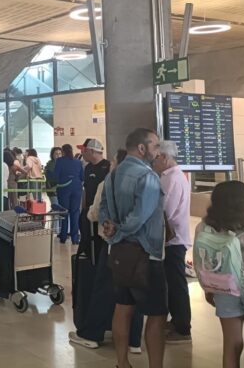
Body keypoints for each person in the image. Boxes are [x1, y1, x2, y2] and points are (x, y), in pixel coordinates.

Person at [100, 128, 165, 368]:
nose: (158, 151)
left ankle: (122, 362)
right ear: (141, 148)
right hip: (146, 254)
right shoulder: (147, 177)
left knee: (123, 307)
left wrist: (110, 228)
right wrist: (120, 229)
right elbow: (140, 217)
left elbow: (104, 210)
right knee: (156, 314)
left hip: (120, 254)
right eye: (155, 146)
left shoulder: (113, 175)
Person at [70, 148, 144, 354]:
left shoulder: (109, 183)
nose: (110, 164)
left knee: (104, 290)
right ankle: (134, 340)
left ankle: (92, 334)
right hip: (139, 246)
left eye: (113, 161)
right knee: (134, 292)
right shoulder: (144, 182)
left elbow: (94, 214)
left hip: (114, 246)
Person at [196, 180, 244, 368]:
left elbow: (200, 260)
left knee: (231, 344)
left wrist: (207, 288)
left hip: (223, 287)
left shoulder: (205, 226)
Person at [154, 140, 192, 343]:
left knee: (176, 284)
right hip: (173, 238)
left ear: (165, 157)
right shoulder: (172, 176)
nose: (154, 162)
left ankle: (183, 327)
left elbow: (165, 209)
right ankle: (177, 320)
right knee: (171, 282)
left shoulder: (172, 178)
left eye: (156, 158)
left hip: (173, 239)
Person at [78, 138, 110, 258]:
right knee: (88, 241)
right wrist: (84, 209)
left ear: (91, 151)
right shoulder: (88, 168)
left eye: (84, 151)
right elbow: (85, 189)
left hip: (102, 213)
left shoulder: (108, 167)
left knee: (100, 243)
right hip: (90, 211)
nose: (82, 154)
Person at [54, 144, 84, 244]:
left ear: (63, 151)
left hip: (64, 189)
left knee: (64, 212)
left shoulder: (59, 161)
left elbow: (56, 176)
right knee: (75, 212)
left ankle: (63, 236)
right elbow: (82, 177)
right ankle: (75, 238)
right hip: (77, 188)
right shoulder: (78, 162)